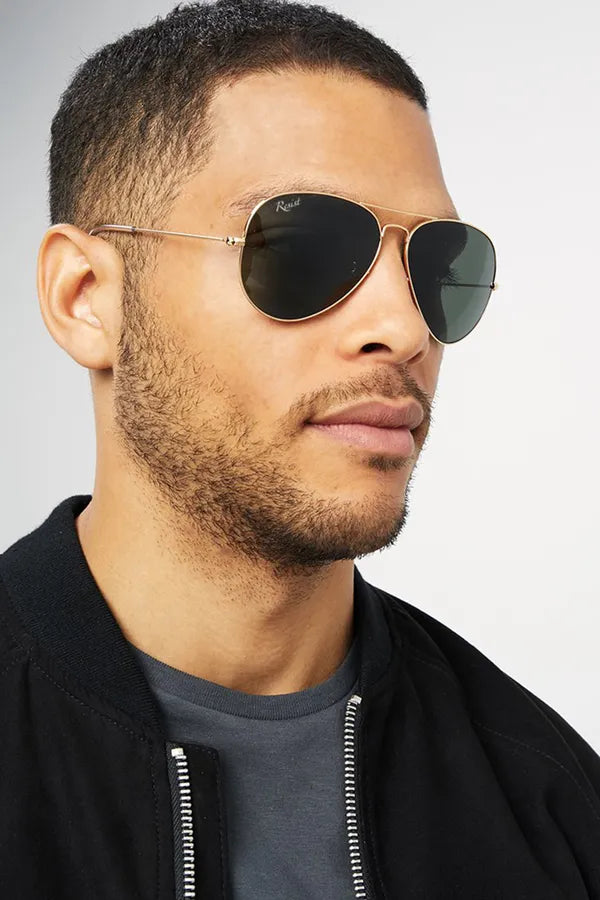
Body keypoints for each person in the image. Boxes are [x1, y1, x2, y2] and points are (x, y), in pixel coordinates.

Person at [1, 0, 598, 897]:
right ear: (86, 297)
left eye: (439, 265)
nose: (404, 329)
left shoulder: (551, 805)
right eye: (303, 248)